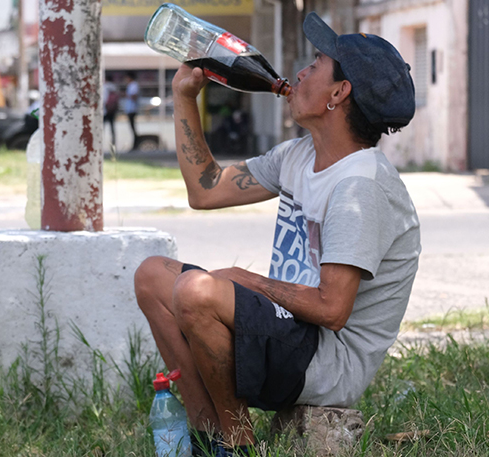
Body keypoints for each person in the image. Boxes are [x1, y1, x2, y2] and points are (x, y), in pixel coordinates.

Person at [134, 12, 420, 456]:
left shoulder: (359, 187)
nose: (301, 72)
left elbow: (331, 310)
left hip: (326, 360)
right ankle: (208, 439)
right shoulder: (300, 154)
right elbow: (205, 189)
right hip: (290, 332)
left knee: (197, 290)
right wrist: (185, 98)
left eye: (317, 64)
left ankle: (238, 444)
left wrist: (244, 281)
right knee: (153, 276)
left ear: (339, 93)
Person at [124, 71, 140, 150]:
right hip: (129, 109)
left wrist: (126, 95)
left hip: (132, 109)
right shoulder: (130, 85)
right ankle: (135, 144)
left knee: (133, 127)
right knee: (132, 127)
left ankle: (136, 144)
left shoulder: (134, 85)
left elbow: (134, 96)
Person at [103, 75, 119, 147]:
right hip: (112, 110)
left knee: (102, 127)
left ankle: (100, 140)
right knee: (112, 126)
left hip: (105, 109)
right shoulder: (114, 87)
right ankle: (113, 142)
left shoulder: (105, 86)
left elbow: (104, 99)